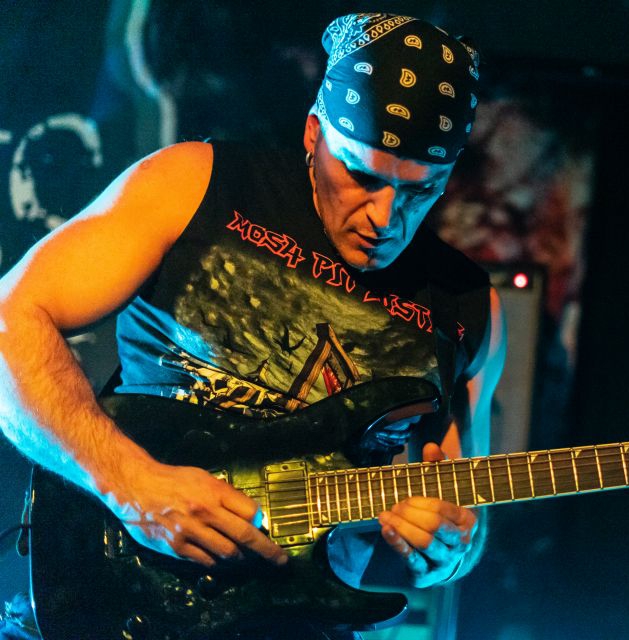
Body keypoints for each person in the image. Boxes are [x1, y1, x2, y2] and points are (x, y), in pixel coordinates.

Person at [0, 12, 504, 636]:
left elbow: (460, 518)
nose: (385, 216)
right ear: (315, 133)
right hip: (115, 595)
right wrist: (131, 485)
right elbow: (12, 322)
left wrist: (447, 550)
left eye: (420, 191)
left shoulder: (467, 306)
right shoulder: (196, 183)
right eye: (362, 176)